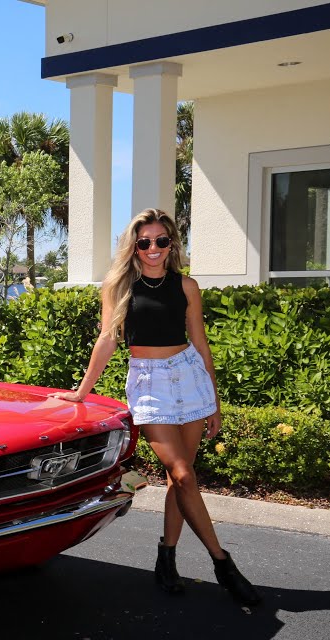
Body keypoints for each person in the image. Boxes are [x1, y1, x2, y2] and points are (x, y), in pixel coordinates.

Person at [49, 208, 261, 607]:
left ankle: (167, 556)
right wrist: (80, 392)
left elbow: (200, 343)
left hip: (189, 377)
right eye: (144, 241)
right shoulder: (117, 288)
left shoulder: (187, 286)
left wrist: (213, 398)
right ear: (133, 245)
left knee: (181, 478)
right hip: (148, 384)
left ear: (171, 245)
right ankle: (223, 563)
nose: (153, 248)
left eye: (161, 241)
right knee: (180, 472)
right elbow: (107, 341)